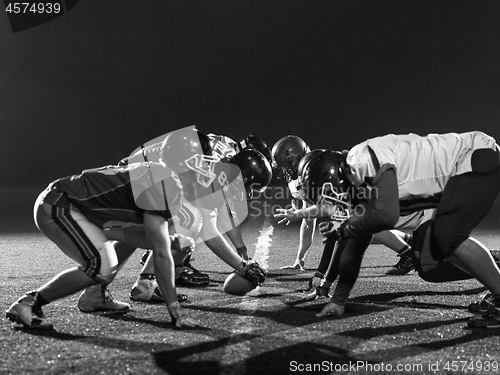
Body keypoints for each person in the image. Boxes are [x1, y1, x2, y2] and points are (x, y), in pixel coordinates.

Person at [5, 126, 267, 329]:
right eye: (203, 162)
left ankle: (95, 295)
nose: (208, 169)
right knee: (103, 263)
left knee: (179, 237)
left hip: (91, 211)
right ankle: (29, 303)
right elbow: (163, 253)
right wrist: (175, 311)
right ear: (187, 162)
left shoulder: (174, 179)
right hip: (61, 205)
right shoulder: (165, 183)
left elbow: (205, 227)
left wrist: (241, 265)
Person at [296, 132, 500, 328]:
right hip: (442, 187)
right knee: (430, 268)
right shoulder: (354, 178)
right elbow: (352, 247)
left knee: (447, 236)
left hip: (473, 157)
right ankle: (495, 269)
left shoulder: (363, 160)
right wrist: (329, 289)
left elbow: (387, 215)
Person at [273, 140, 417, 275]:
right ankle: (409, 241)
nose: (284, 172)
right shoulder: (304, 175)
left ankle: (409, 255)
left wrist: (298, 214)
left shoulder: (319, 168)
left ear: (297, 157)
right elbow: (309, 221)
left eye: (285, 166)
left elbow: (329, 208)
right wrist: (299, 259)